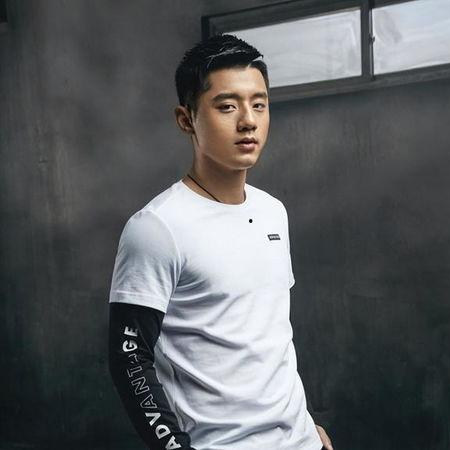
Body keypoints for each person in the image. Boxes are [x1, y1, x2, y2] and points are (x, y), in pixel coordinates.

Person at [108, 33, 334, 450]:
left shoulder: (273, 211)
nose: (248, 121)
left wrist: (306, 426)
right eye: (227, 106)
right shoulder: (156, 228)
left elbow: (268, 339)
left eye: (259, 104)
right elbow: (129, 358)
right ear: (186, 119)